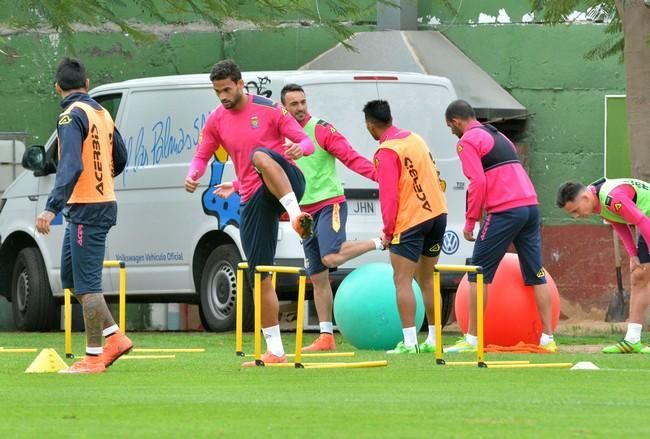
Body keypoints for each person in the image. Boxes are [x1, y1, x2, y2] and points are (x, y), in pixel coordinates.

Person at [185, 60, 315, 366]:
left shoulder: (270, 108)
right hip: (254, 197)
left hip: (289, 181)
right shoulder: (216, 119)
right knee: (260, 275)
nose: (222, 96)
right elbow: (202, 154)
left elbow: (305, 140)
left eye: (227, 89)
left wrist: (302, 148)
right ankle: (276, 352)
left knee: (260, 156)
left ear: (241, 84)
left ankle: (297, 216)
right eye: (217, 91)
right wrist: (193, 174)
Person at [35, 57, 131, 374]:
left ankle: (93, 357)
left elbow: (71, 165)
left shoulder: (69, 117)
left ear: (57, 88)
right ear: (87, 85)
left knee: (87, 284)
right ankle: (113, 337)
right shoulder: (101, 113)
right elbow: (121, 157)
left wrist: (51, 207)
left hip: (88, 207)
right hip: (96, 204)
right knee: (71, 278)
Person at [444, 99, 556, 353]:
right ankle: (548, 339)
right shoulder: (501, 137)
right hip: (530, 206)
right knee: (536, 274)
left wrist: (470, 221)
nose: (452, 132)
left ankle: (471, 340)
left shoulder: (467, 141)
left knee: (477, 272)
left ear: (456, 122)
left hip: (505, 209)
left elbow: (478, 183)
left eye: (450, 127)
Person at [280, 84, 384, 352]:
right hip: (304, 213)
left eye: (303, 102)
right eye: (294, 104)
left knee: (331, 256)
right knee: (317, 276)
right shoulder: (279, 136)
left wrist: (379, 176)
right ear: (284, 108)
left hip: (330, 204)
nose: (301, 108)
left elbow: (350, 157)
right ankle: (326, 337)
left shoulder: (321, 129)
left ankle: (380, 241)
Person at [363, 100, 448, 354]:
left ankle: (410, 343)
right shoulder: (416, 139)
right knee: (428, 280)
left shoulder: (387, 151)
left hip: (410, 221)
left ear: (370, 125)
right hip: (437, 214)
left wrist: (388, 231)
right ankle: (434, 339)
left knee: (402, 280)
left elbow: (389, 196)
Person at [557, 178, 650, 353]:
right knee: (639, 277)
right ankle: (632, 340)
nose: (577, 216)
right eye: (572, 214)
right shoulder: (596, 202)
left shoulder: (613, 198)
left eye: (576, 210)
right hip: (647, 221)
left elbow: (642, 221)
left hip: (647, 222)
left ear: (585, 198)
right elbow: (618, 223)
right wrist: (632, 254)